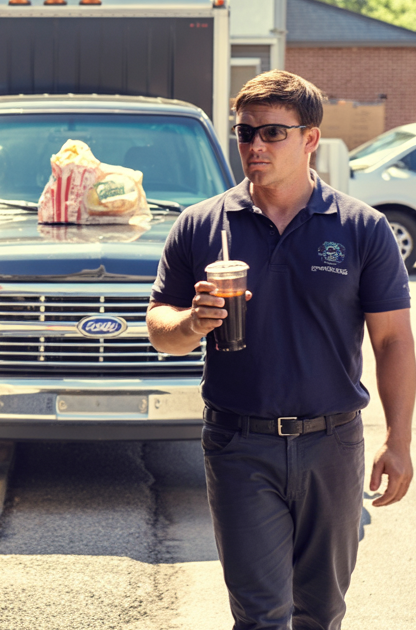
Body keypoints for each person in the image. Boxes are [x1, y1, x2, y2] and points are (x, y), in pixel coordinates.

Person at [148, 70, 413, 630]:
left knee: (321, 611)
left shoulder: (362, 229)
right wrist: (193, 322)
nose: (254, 146)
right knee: (260, 615)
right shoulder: (201, 226)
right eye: (245, 133)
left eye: (272, 133)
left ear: (310, 138)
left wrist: (398, 440)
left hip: (333, 443)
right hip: (238, 443)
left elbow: (392, 340)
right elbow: (159, 329)